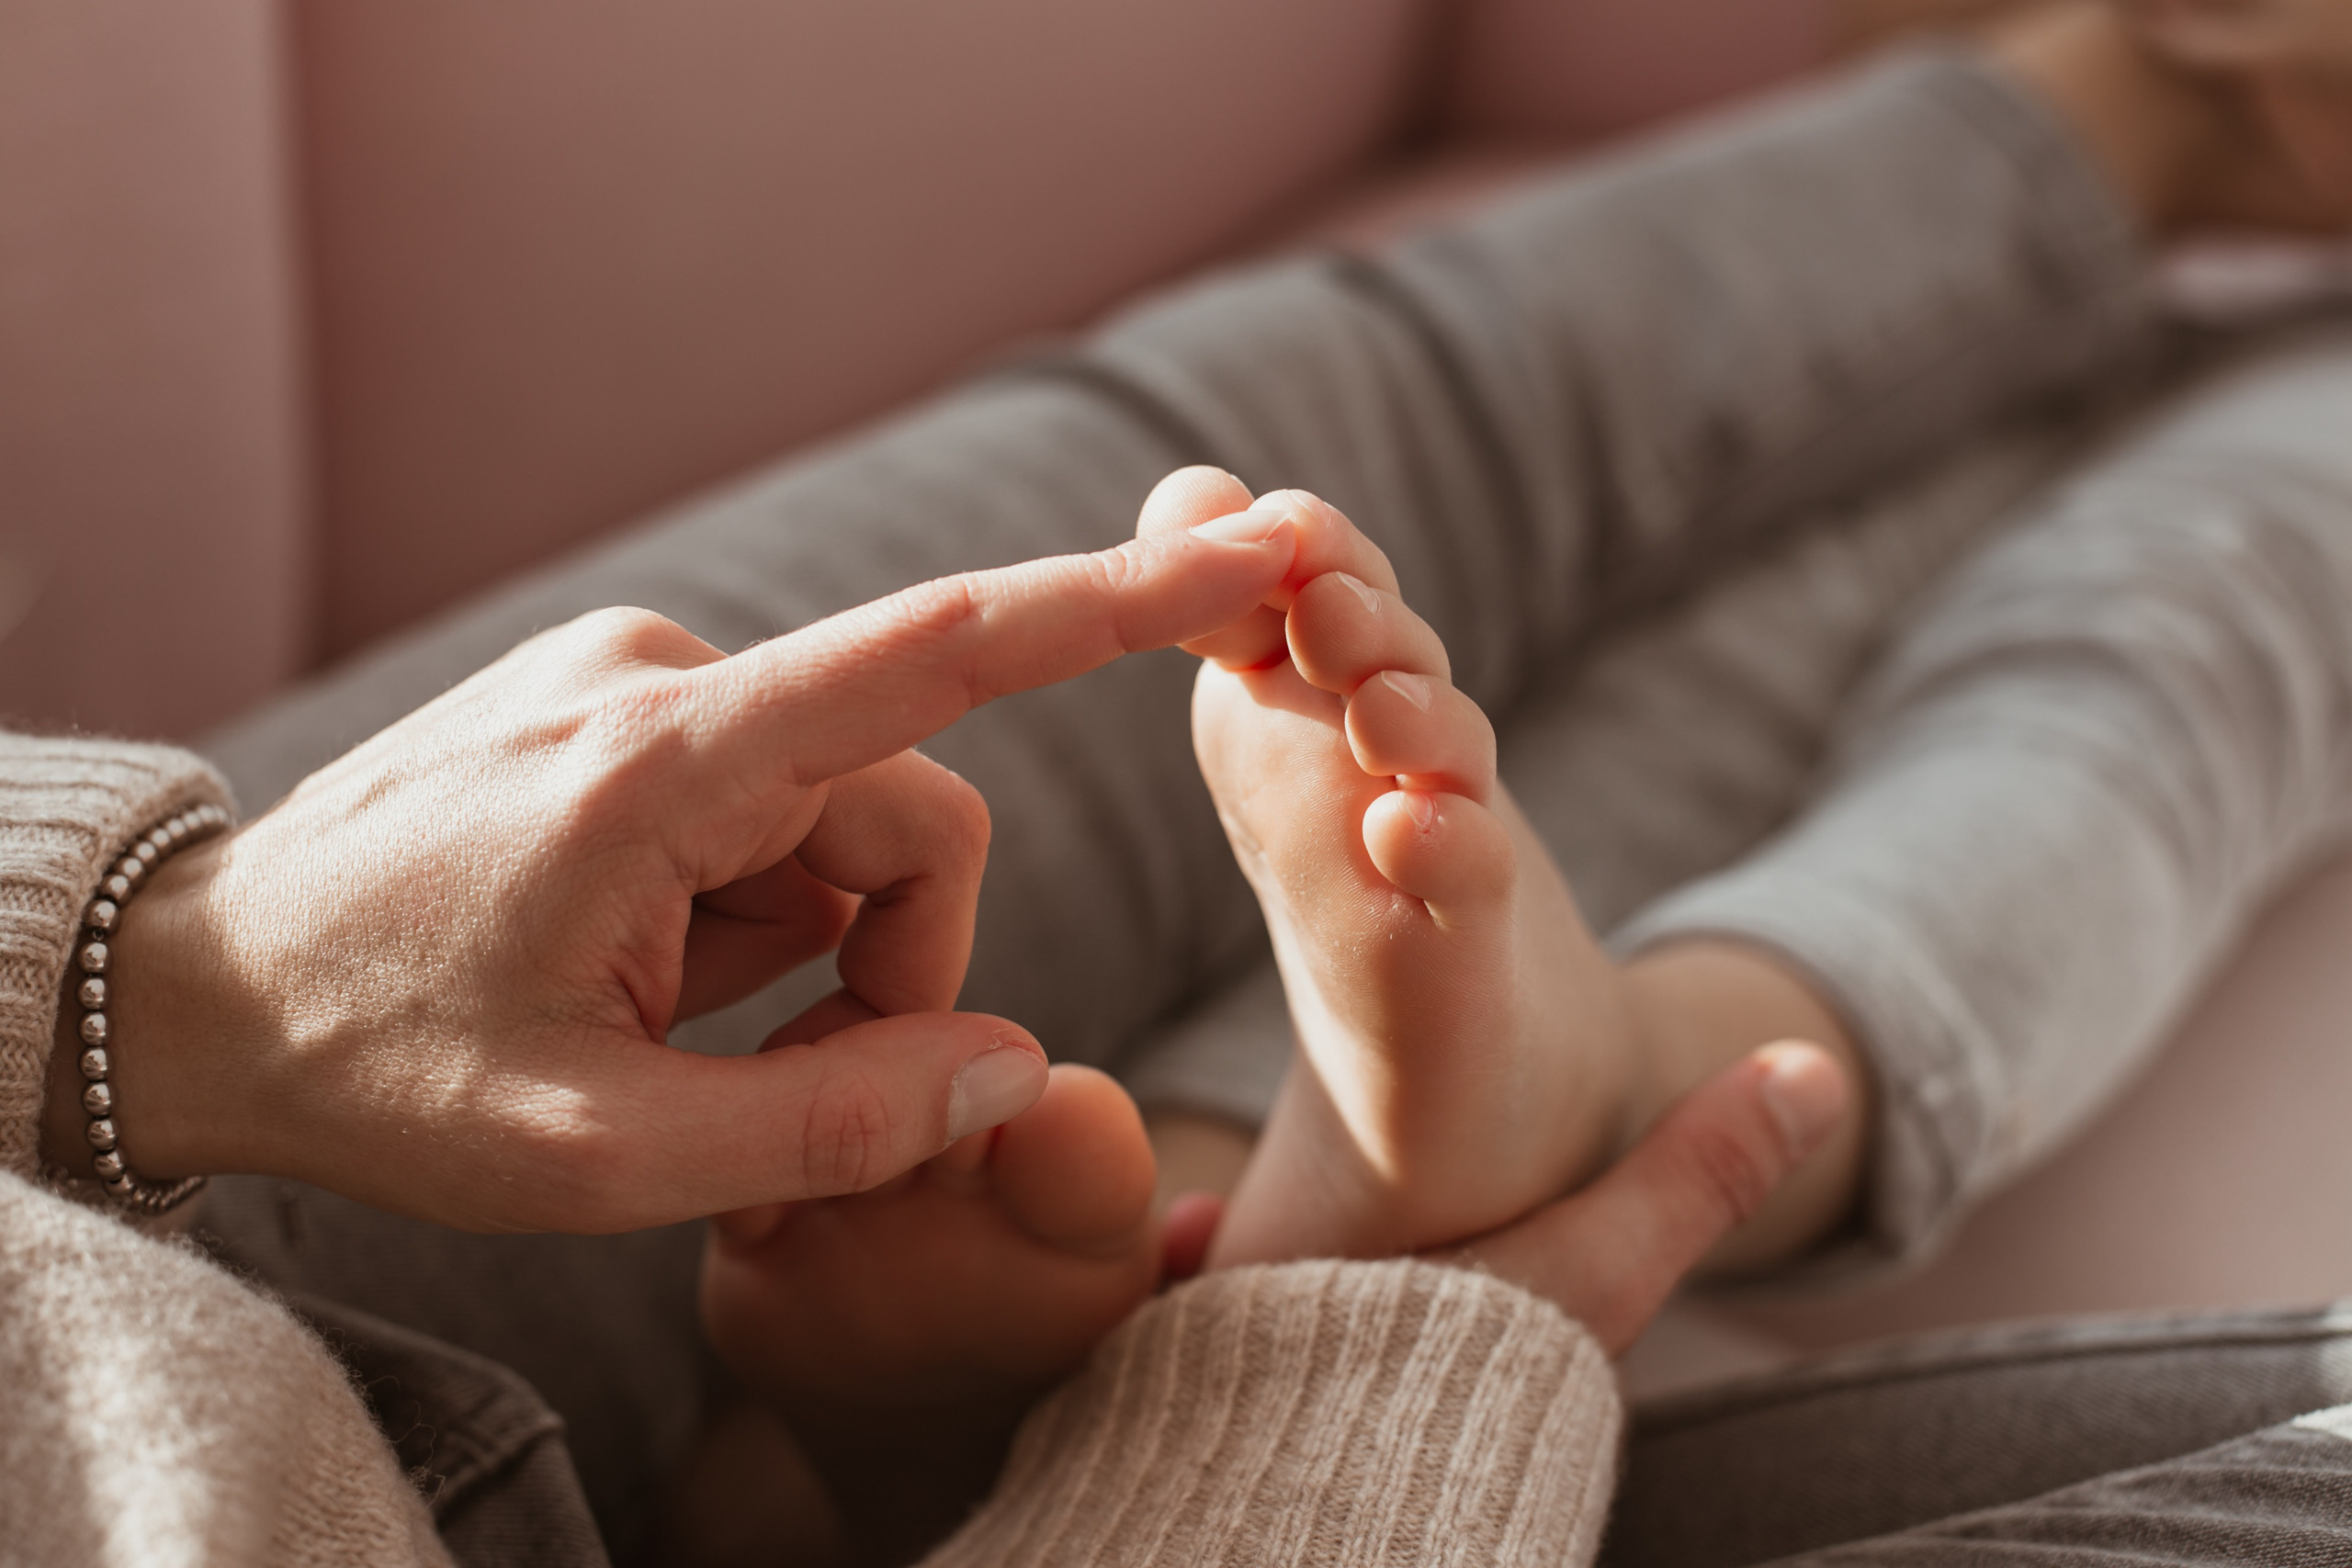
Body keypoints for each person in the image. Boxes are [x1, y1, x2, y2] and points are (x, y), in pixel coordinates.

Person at [10, 0, 2352, 1562]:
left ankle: (1258, 1193)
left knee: (1283, 564)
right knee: (2152, 624)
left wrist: (153, 980)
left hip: (132, 1196)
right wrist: (1276, 1431)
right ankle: (1626, 1065)